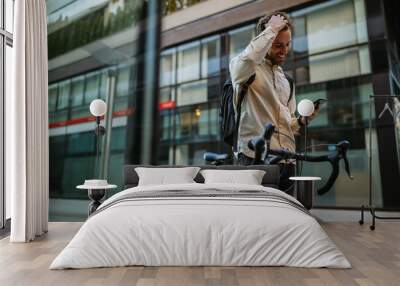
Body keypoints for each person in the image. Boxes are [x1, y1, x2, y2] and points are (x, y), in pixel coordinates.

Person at [229, 12, 319, 195]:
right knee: (258, 217)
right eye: (278, 45)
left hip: (287, 160)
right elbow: (245, 61)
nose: (284, 50)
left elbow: (287, 122)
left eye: (287, 45)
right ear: (267, 39)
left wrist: (301, 121)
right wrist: (271, 29)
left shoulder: (287, 80)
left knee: (287, 213)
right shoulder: (246, 70)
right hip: (254, 158)